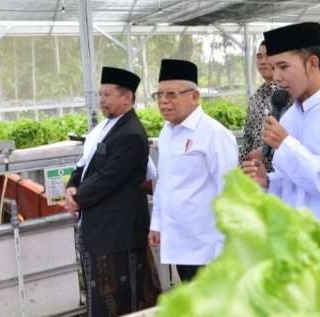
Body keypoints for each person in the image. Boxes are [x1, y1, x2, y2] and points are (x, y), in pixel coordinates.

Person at [241, 22, 320, 241]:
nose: (276, 77)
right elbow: (294, 183)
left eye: (283, 66)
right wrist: (268, 181)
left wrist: (286, 145)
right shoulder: (290, 116)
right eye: (273, 68)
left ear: (312, 63)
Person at [65, 67, 160, 316]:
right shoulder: (106, 128)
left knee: (119, 296)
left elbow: (108, 178)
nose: (102, 101)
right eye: (100, 95)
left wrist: (77, 199)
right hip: (101, 229)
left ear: (127, 98)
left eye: (107, 95)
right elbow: (84, 166)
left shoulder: (130, 134)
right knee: (102, 295)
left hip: (117, 231)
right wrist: (71, 187)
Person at [148, 59, 238, 282]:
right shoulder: (167, 132)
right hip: (180, 244)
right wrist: (157, 224)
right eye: (159, 95)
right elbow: (164, 184)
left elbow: (229, 192)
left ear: (195, 96)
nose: (164, 102)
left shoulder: (213, 134)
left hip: (208, 248)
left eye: (171, 95)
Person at [239, 40, 291, 171]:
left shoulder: (289, 94)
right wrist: (243, 164)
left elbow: (293, 136)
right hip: (256, 173)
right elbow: (248, 136)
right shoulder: (256, 97)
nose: (262, 61)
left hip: (281, 171)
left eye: (267, 56)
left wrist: (264, 152)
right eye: (259, 57)